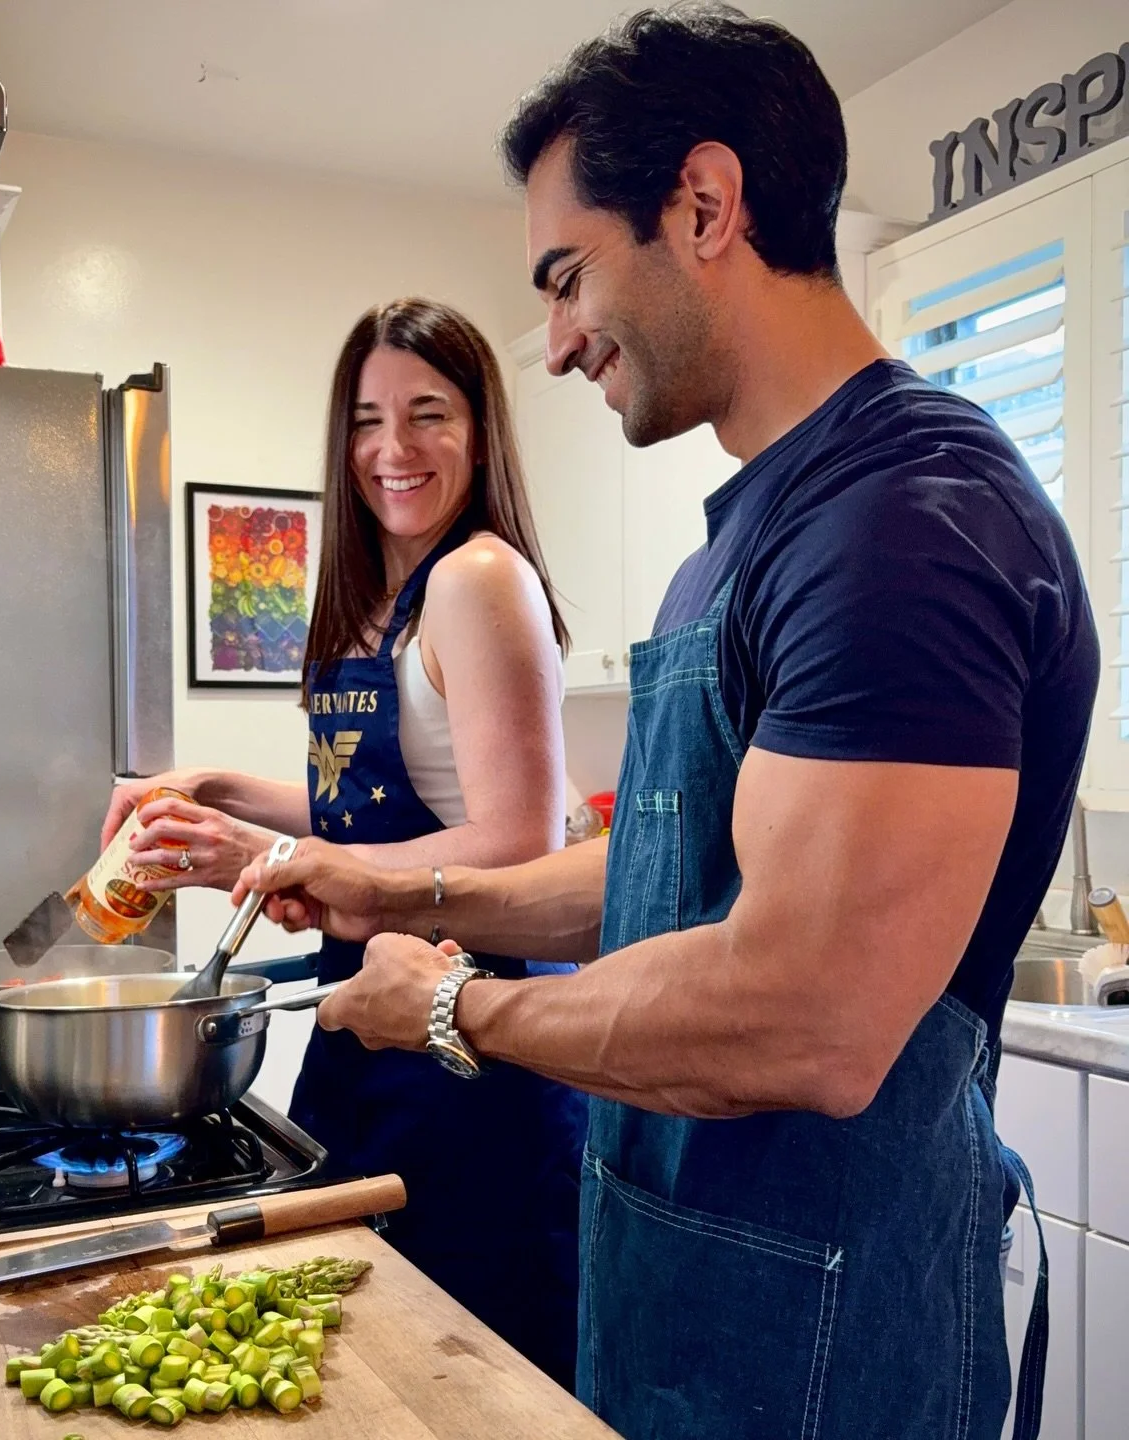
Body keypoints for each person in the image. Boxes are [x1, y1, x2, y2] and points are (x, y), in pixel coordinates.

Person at [231, 8, 1100, 1439]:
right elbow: (661, 870)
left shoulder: (905, 524)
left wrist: (454, 1007)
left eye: (569, 279)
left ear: (704, 205)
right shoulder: (749, 530)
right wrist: (390, 886)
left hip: (833, 1324)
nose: (560, 342)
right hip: (683, 1286)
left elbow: (804, 1015)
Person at [100, 298, 588, 1387]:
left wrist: (266, 861)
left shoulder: (476, 578)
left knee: (472, 1376)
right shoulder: (379, 602)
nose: (393, 450)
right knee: (382, 1369)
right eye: (368, 420)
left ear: (481, 429)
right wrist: (222, 791)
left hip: (477, 1038)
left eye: (428, 414)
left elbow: (516, 838)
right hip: (374, 1017)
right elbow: (376, 816)